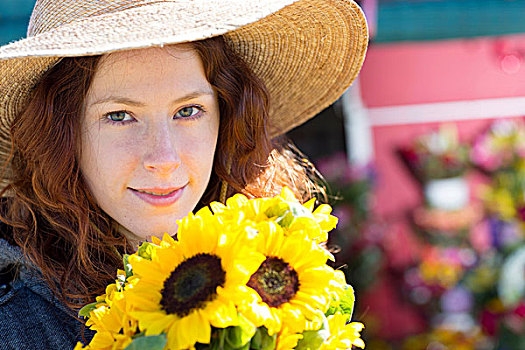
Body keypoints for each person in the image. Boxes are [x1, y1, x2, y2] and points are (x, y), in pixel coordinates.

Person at [0, 0, 368, 348]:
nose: (164, 157)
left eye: (188, 111)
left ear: (227, 121)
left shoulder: (286, 285)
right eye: (120, 116)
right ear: (61, 137)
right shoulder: (16, 328)